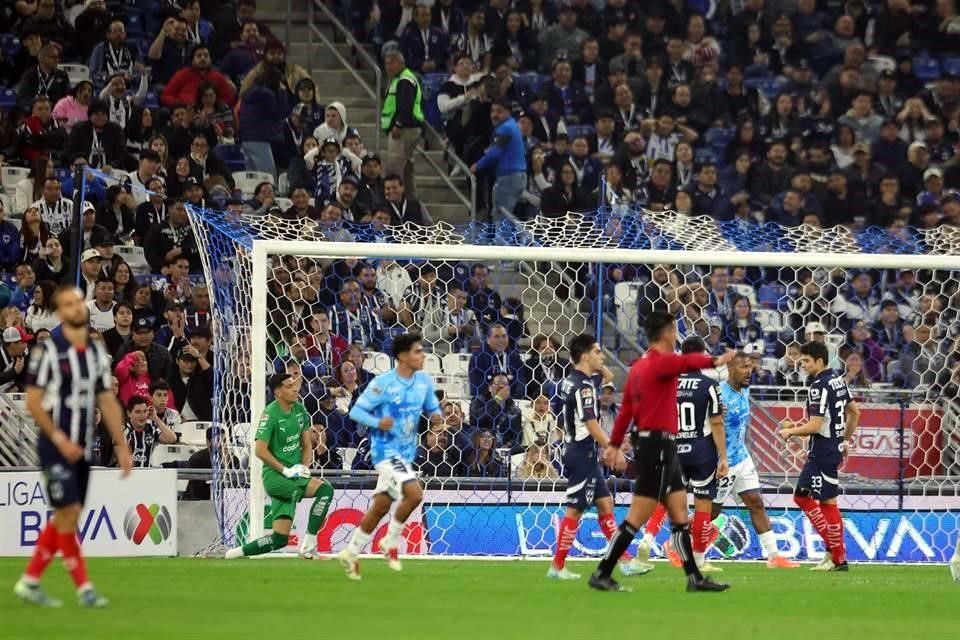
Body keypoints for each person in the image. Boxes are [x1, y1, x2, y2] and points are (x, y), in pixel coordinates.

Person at [588, 310, 734, 593]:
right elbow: (687, 361)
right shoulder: (660, 362)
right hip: (658, 446)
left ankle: (695, 579)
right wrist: (714, 360)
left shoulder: (639, 367)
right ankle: (602, 572)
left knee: (679, 514)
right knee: (637, 516)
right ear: (667, 333)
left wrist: (615, 444)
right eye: (673, 329)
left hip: (660, 445)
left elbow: (627, 409)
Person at [13, 286, 132, 608]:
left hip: (81, 443)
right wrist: (59, 438)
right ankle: (84, 589)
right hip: (55, 444)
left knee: (70, 515)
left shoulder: (94, 353)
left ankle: (30, 580)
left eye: (78, 302)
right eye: (68, 304)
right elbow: (35, 403)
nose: (75, 308)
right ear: (59, 313)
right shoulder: (47, 351)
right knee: (67, 512)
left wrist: (121, 444)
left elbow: (105, 398)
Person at [339, 333, 443, 579]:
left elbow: (432, 407)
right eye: (418, 351)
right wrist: (378, 422)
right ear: (403, 356)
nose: (423, 355)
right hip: (386, 451)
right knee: (415, 494)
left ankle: (351, 552)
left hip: (407, 452)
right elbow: (357, 412)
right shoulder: (383, 383)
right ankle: (390, 541)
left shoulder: (424, 382)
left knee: (382, 505)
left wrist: (437, 417)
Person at [548, 334, 645, 580]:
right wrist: (613, 448)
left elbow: (609, 376)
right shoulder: (585, 388)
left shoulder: (572, 381)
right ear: (584, 356)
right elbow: (591, 424)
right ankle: (557, 566)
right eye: (598, 352)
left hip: (580, 451)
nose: (603, 357)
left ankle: (623, 560)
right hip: (582, 452)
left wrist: (595, 365)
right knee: (575, 510)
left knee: (605, 504)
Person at [224, 373, 335, 560]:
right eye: (289, 386)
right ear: (277, 392)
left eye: (295, 385)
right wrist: (285, 470)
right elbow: (259, 450)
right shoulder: (270, 415)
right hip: (276, 477)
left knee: (279, 539)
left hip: (294, 476)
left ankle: (233, 554)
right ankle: (308, 548)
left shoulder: (300, 411)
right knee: (325, 490)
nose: (295, 389)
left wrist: (305, 468)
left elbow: (307, 444)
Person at [778, 341, 861, 572]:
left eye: (805, 360)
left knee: (817, 501)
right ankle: (831, 554)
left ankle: (838, 556)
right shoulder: (837, 380)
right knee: (812, 498)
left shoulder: (818, 386)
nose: (802, 364)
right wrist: (844, 439)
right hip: (830, 450)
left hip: (822, 453)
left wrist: (789, 431)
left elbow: (815, 425)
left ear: (820, 361)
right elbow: (855, 412)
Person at [471, 99, 527, 222]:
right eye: (492, 111)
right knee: (509, 215)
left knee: (501, 216)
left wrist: (477, 165)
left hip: (508, 177)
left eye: (499, 111)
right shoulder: (513, 125)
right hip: (518, 175)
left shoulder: (505, 128)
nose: (495, 114)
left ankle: (502, 242)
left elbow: (495, 153)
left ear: (508, 112)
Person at [381, 51, 424, 200]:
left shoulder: (405, 79)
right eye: (386, 64)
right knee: (406, 172)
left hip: (404, 129)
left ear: (401, 63)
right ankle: (412, 206)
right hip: (410, 129)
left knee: (394, 170)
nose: (388, 67)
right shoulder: (400, 78)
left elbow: (406, 105)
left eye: (391, 63)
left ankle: (392, 206)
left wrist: (398, 124)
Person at [123, 395, 178, 467]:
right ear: (129, 413)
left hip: (148, 473)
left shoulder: (152, 428)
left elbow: (172, 439)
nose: (142, 415)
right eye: (138, 412)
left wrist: (155, 418)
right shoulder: (123, 429)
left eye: (145, 411)